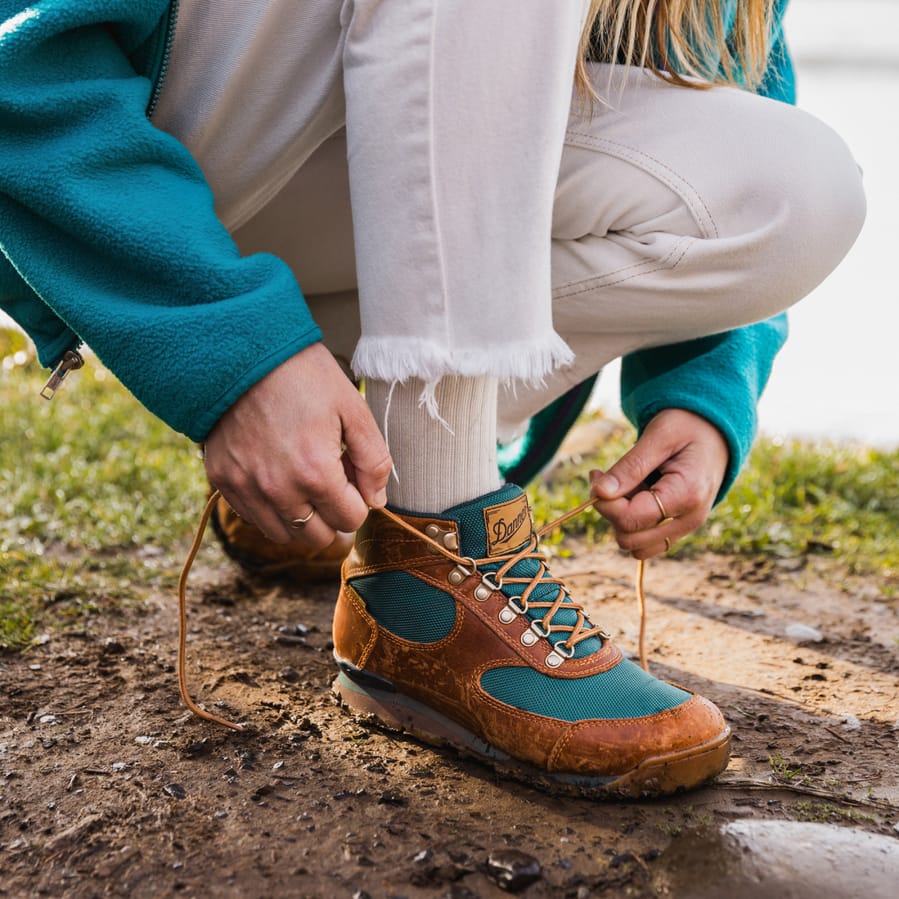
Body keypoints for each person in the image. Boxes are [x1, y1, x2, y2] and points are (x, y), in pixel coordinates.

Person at [0, 0, 864, 797]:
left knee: (794, 193)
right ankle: (434, 539)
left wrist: (702, 385)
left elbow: (733, 70)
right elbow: (24, 58)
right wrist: (233, 353)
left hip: (369, 165)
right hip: (191, 136)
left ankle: (344, 447)